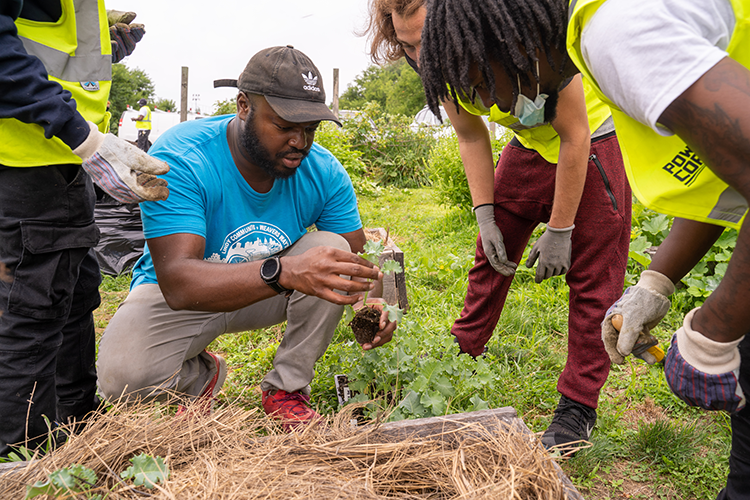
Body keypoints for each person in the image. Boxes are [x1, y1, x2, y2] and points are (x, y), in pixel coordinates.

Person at [419, 0, 750, 496]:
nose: (494, 105)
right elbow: (731, 174)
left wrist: (714, 330)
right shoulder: (587, 39)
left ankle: (578, 409)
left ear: (506, 45)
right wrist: (658, 280)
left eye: (482, 84)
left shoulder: (616, 32)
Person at [364, 0, 632, 451]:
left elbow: (574, 134)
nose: (419, 57)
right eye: (407, 45)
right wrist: (485, 214)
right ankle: (463, 348)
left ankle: (578, 406)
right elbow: (471, 135)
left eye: (425, 42)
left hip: (591, 142)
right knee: (490, 255)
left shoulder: (530, 43)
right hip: (528, 144)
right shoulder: (435, 65)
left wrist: (561, 230)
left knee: (593, 280)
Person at [96, 45, 398, 430]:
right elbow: (178, 283)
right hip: (185, 296)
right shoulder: (184, 155)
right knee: (122, 380)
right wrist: (284, 271)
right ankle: (201, 376)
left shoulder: (323, 171)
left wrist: (371, 309)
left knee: (333, 249)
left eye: (309, 129)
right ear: (243, 105)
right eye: (285, 126)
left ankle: (286, 389)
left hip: (266, 292)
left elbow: (355, 261)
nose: (300, 141)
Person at [0, 0, 170, 457]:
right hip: (22, 165)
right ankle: (22, 461)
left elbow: (47, 46)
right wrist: (85, 136)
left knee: (72, 300)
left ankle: (76, 433)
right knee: (29, 319)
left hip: (63, 166)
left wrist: (105, 48)